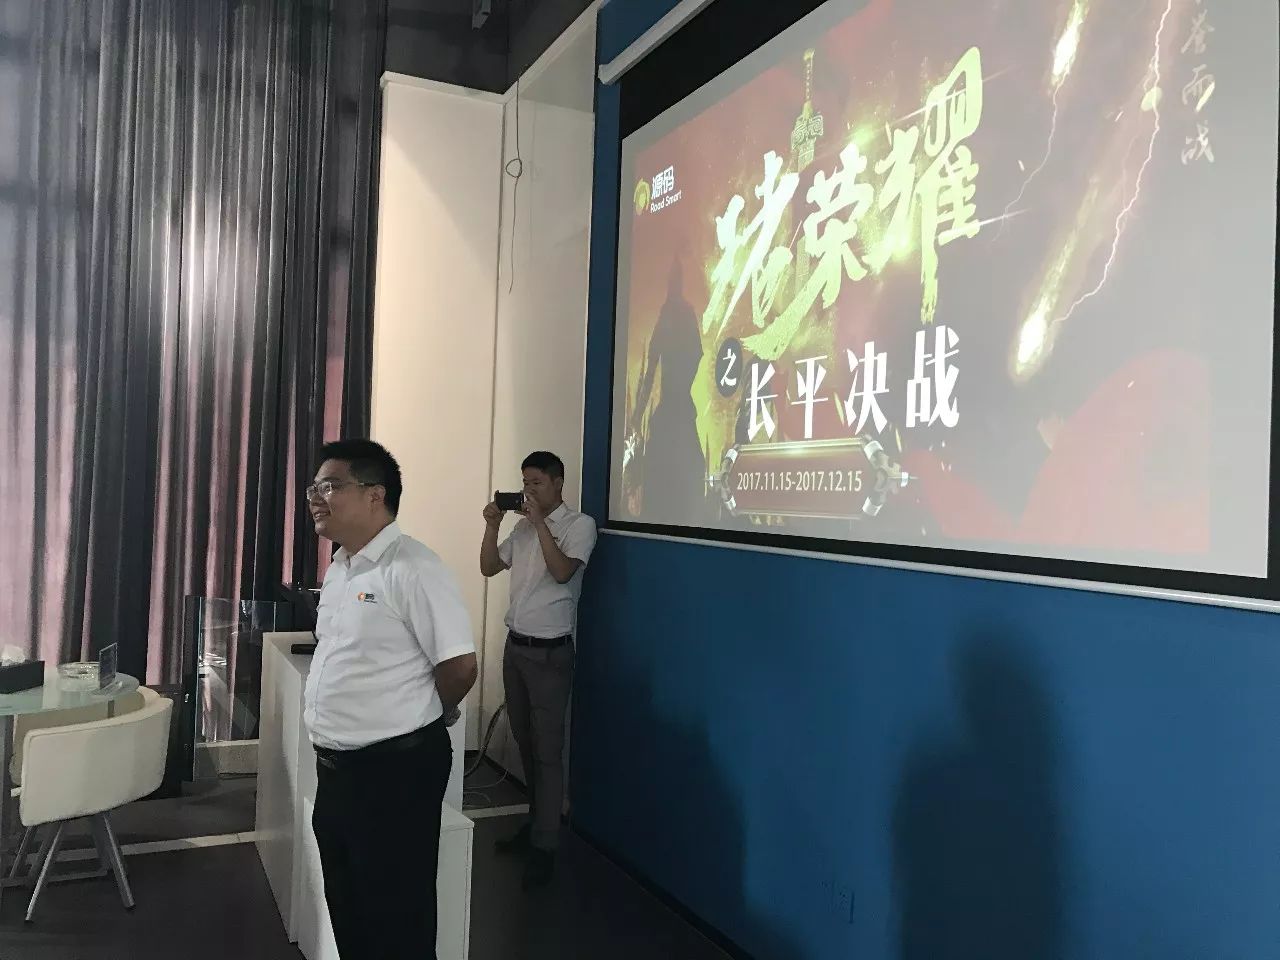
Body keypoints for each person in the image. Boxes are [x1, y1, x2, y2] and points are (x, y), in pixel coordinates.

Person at [304, 439, 477, 959]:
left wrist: (427, 714)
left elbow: (460, 666)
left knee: (397, 917)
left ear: (375, 495)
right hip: (337, 772)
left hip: (394, 773)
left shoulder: (414, 567)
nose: (316, 498)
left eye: (330, 486)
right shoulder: (341, 567)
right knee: (349, 907)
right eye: (314, 488)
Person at [480, 451, 597, 887]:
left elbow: (563, 572)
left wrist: (540, 524)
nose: (528, 490)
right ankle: (534, 827)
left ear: (558, 483)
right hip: (516, 647)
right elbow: (488, 566)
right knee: (525, 744)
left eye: (536, 483)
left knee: (548, 752)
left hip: (550, 654)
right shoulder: (522, 527)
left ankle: (546, 845)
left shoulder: (579, 525)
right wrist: (493, 525)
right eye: (524, 483)